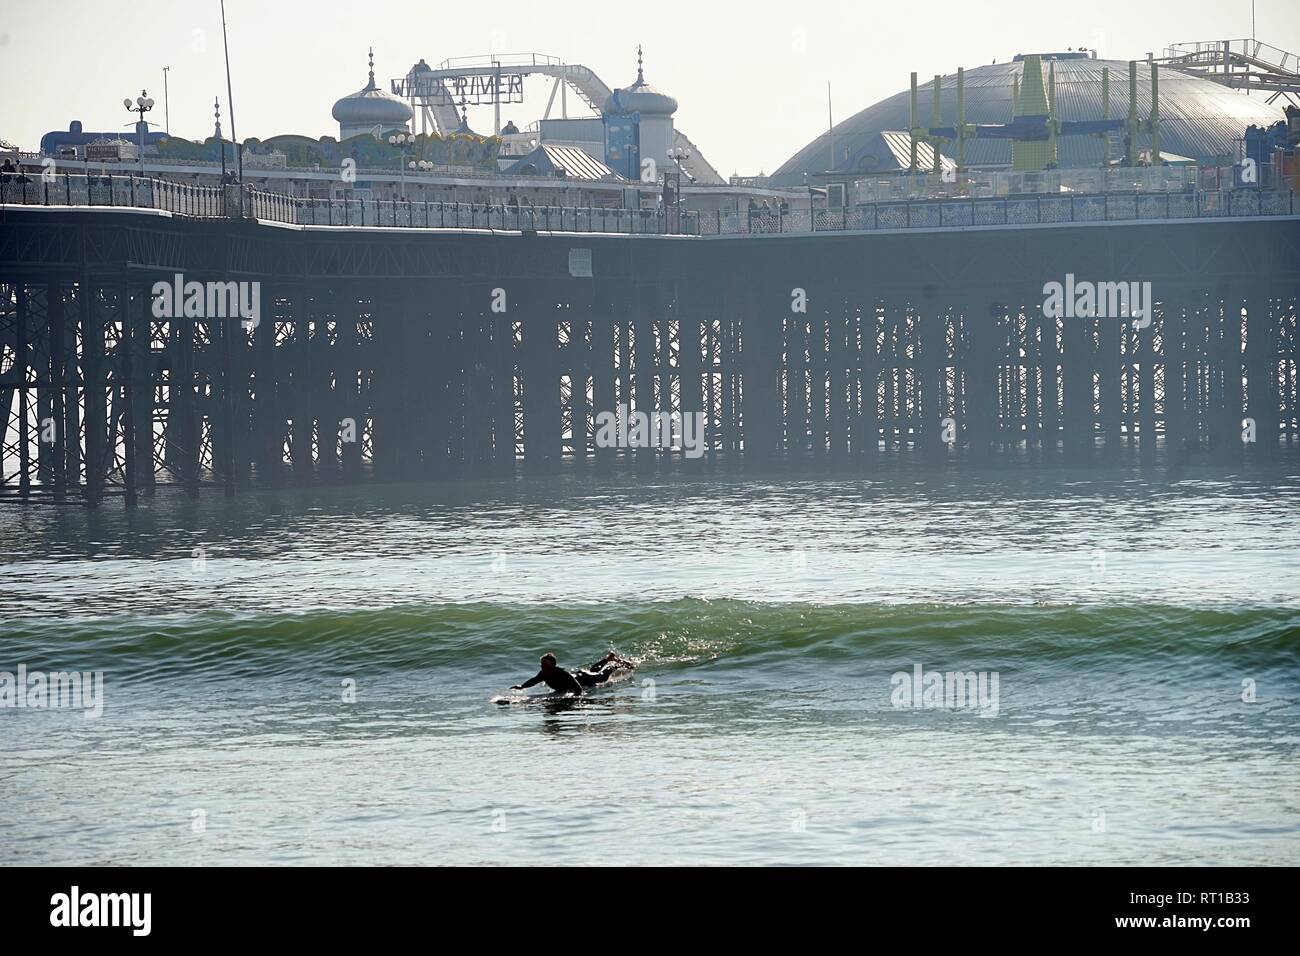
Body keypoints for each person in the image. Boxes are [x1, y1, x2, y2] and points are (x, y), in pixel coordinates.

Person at [511, 652, 634, 696]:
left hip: (582, 679)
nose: (541, 667)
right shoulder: (544, 673)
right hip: (579, 675)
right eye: (541, 664)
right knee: (592, 671)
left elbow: (577, 687)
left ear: (552, 665)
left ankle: (615, 664)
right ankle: (608, 659)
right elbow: (534, 680)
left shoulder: (562, 674)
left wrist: (577, 697)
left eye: (544, 665)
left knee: (601, 677)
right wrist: (522, 686)